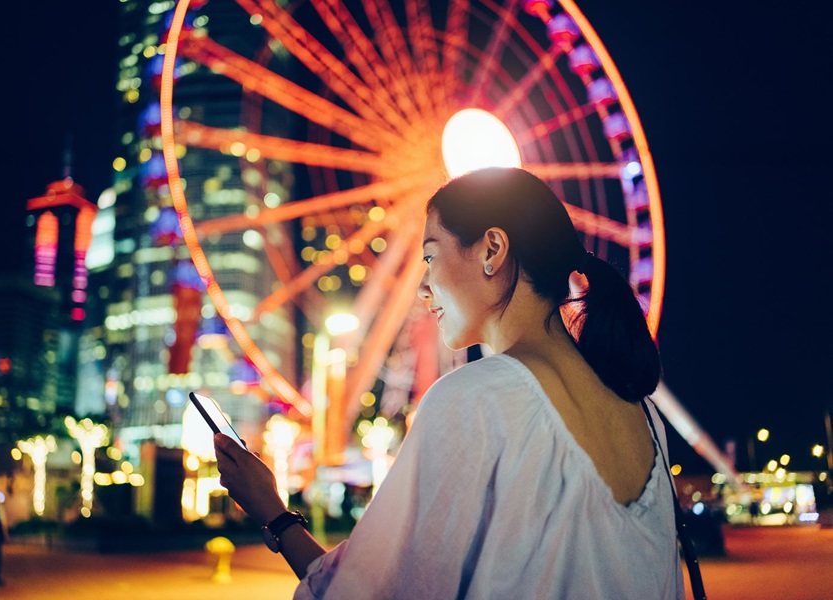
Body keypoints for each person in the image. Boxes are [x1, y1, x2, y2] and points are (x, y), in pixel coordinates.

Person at [214, 167, 683, 598]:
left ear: (492, 250)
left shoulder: (476, 399)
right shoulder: (644, 415)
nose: (422, 286)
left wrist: (272, 512)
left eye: (431, 256)